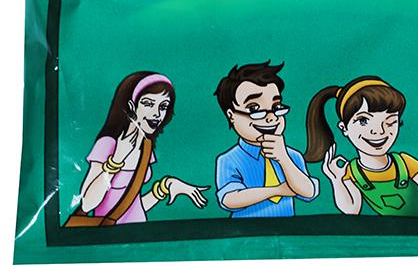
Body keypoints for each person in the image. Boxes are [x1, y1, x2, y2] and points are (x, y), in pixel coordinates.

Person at [69, 71, 210, 225]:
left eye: (163, 106)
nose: (157, 114)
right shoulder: (107, 144)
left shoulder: (146, 147)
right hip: (110, 235)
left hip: (140, 232)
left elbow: (133, 208)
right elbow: (87, 204)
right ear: (131, 106)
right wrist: (116, 161)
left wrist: (165, 187)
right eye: (148, 104)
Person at [305, 76, 418, 216]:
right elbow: (351, 209)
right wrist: (336, 179)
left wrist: (411, 218)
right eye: (363, 121)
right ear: (344, 128)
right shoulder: (351, 171)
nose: (379, 131)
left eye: (390, 122)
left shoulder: (403, 163)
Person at [214, 61, 319, 217]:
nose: (271, 118)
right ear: (231, 116)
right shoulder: (229, 159)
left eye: (276, 107)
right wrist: (277, 190)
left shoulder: (292, 156)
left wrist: (283, 158)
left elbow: (309, 192)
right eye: (254, 108)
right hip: (244, 230)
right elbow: (229, 199)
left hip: (287, 229)